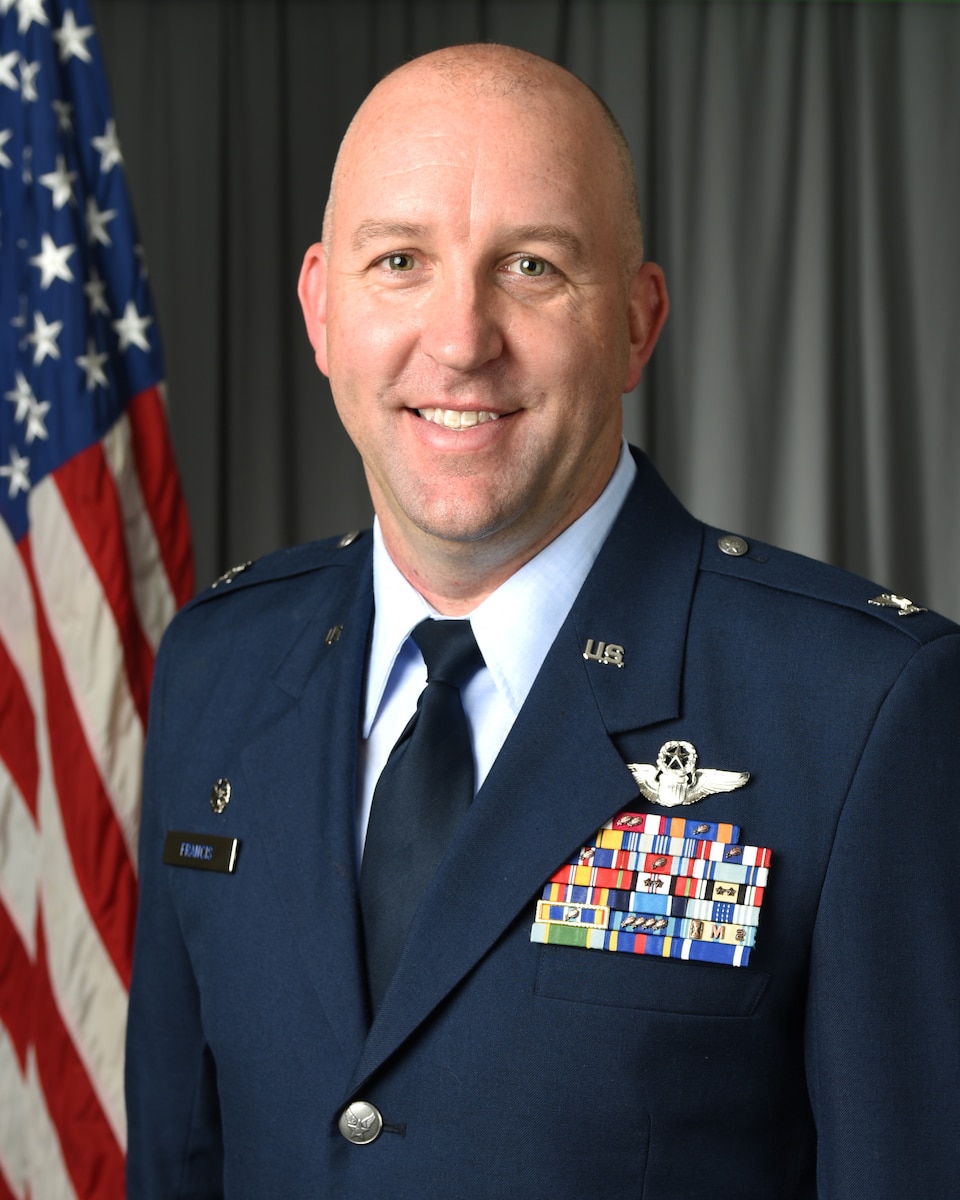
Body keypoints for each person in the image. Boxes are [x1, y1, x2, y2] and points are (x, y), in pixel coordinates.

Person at [125, 43, 960, 1199]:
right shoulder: (217, 663)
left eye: (531, 266)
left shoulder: (864, 706)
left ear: (637, 322)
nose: (461, 340)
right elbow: (178, 1159)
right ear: (321, 309)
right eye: (400, 261)